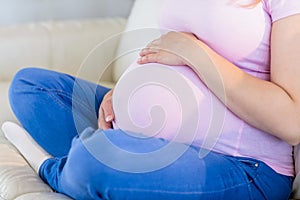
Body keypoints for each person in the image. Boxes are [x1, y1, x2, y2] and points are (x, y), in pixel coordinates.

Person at [3, 0, 300, 199]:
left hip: (243, 165)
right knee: (30, 88)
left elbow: (291, 122)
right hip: (151, 135)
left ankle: (58, 170)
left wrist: (197, 55)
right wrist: (123, 91)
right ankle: (121, 158)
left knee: (91, 160)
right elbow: (168, 45)